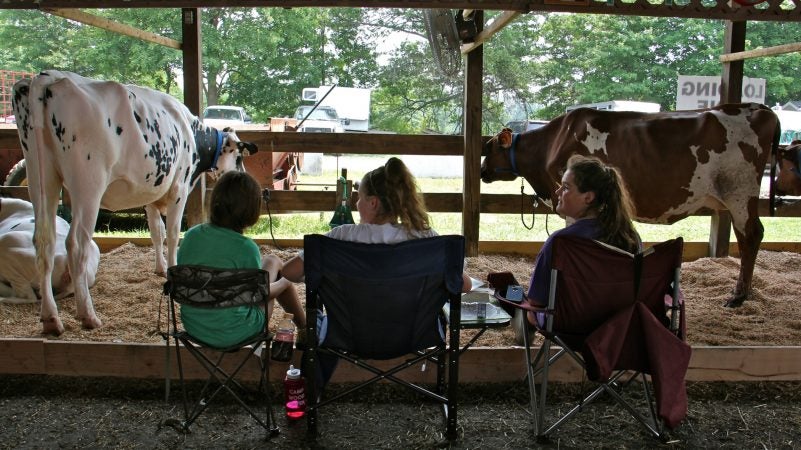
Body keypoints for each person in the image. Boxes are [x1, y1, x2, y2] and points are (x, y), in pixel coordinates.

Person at [282, 156, 472, 292]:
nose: (356, 204)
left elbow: (289, 271)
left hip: (347, 336)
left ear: (373, 202)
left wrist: (322, 278)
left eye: (359, 198)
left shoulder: (340, 236)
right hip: (413, 336)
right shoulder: (425, 238)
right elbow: (465, 285)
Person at [177, 171, 306, 348]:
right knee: (282, 279)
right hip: (237, 332)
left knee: (272, 260)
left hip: (195, 328)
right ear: (251, 210)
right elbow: (259, 296)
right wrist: (286, 281)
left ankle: (306, 328)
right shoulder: (246, 248)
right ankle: (306, 330)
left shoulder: (191, 236)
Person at [526, 154, 641, 313]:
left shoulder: (561, 242)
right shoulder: (629, 237)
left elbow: (536, 302)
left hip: (567, 328)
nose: (557, 191)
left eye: (565, 187)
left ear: (588, 197)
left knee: (525, 309)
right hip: (616, 326)